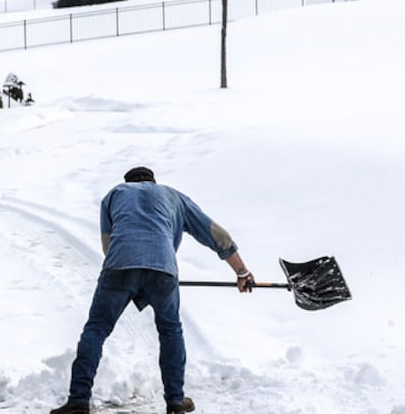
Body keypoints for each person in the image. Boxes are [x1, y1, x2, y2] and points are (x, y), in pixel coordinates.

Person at [51, 166, 254, 414]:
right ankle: (176, 401)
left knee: (96, 328)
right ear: (153, 181)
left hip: (119, 266)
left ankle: (78, 400)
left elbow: (108, 243)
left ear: (128, 182)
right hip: (163, 270)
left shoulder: (114, 194)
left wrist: (130, 278)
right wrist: (242, 272)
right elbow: (216, 235)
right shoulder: (173, 196)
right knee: (170, 330)